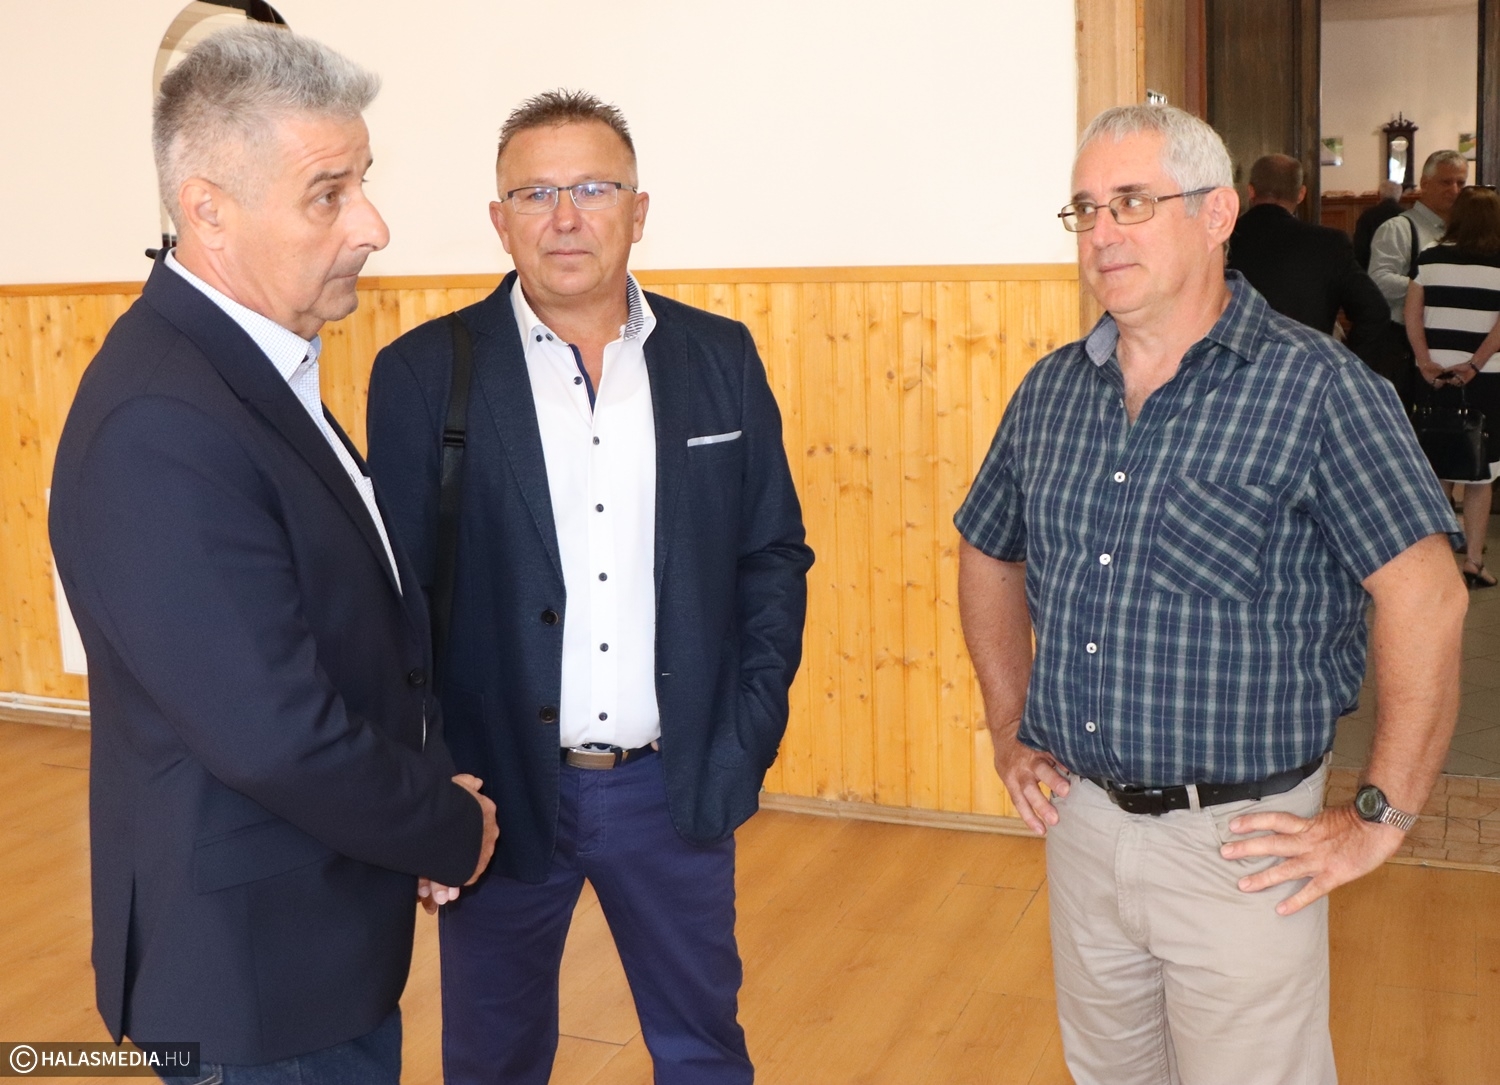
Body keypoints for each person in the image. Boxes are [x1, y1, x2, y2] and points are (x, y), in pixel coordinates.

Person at [956, 104, 1466, 1085]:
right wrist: (1008, 724)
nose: (1102, 232)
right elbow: (987, 548)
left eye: (1132, 202)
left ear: (1218, 212)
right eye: (1085, 209)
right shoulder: (1051, 392)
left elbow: (1429, 598)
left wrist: (1381, 812)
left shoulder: (1318, 390)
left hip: (1243, 846)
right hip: (1079, 825)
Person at [48, 26, 497, 1085]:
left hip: (310, 940)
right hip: (253, 986)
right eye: (328, 194)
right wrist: (445, 826)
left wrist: (415, 801)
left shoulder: (247, 367)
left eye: (364, 182)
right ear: (207, 209)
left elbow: (349, 633)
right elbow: (275, 734)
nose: (373, 225)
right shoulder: (163, 421)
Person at [365, 89, 813, 1085]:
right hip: (497, 791)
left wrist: (746, 727)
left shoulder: (719, 358)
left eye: (594, 189)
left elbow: (771, 554)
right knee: (493, 1057)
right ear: (500, 219)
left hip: (674, 783)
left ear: (638, 211)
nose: (564, 217)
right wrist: (432, 780)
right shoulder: (424, 371)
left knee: (703, 1050)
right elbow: (395, 603)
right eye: (536, 193)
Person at [1406, 186, 1500, 588]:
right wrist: (1475, 364)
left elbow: (1412, 314)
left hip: (1435, 376)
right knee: (1481, 473)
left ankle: (1437, 561)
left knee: (1437, 466)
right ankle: (1473, 561)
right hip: (1487, 377)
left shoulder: (1430, 257)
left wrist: (1424, 362)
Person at [1227, 153, 1388, 367]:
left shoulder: (1223, 240)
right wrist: (1345, 364)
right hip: (1305, 370)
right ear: (1301, 194)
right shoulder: (1329, 243)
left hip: (1230, 371)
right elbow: (1375, 311)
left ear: (1250, 191)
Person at [1368, 150, 1470, 400]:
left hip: (1457, 350)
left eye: (1461, 183)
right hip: (1408, 350)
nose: (1455, 190)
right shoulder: (1399, 228)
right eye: (1446, 182)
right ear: (1425, 183)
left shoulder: (1466, 232)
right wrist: (1430, 288)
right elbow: (1379, 281)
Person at [1353, 179, 1405, 270]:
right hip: (1401, 270)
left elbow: (1360, 249)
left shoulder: (1367, 216)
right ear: (1400, 196)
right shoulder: (1408, 216)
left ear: (1378, 195)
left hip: (1373, 269)